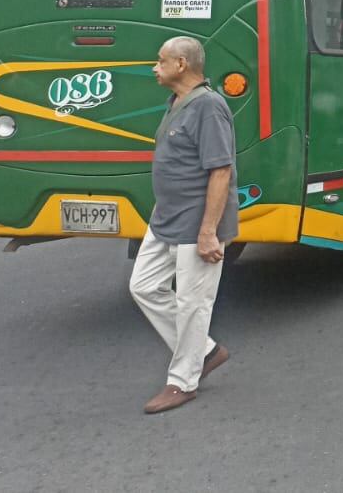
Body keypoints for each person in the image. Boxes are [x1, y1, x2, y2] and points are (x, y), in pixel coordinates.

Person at [129, 36, 237, 414]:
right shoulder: (177, 102)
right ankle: (205, 350)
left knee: (194, 303)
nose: (154, 67)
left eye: (160, 61)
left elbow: (220, 170)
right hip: (166, 217)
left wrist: (208, 231)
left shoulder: (209, 107)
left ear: (181, 65)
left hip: (197, 223)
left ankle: (183, 382)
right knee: (143, 286)